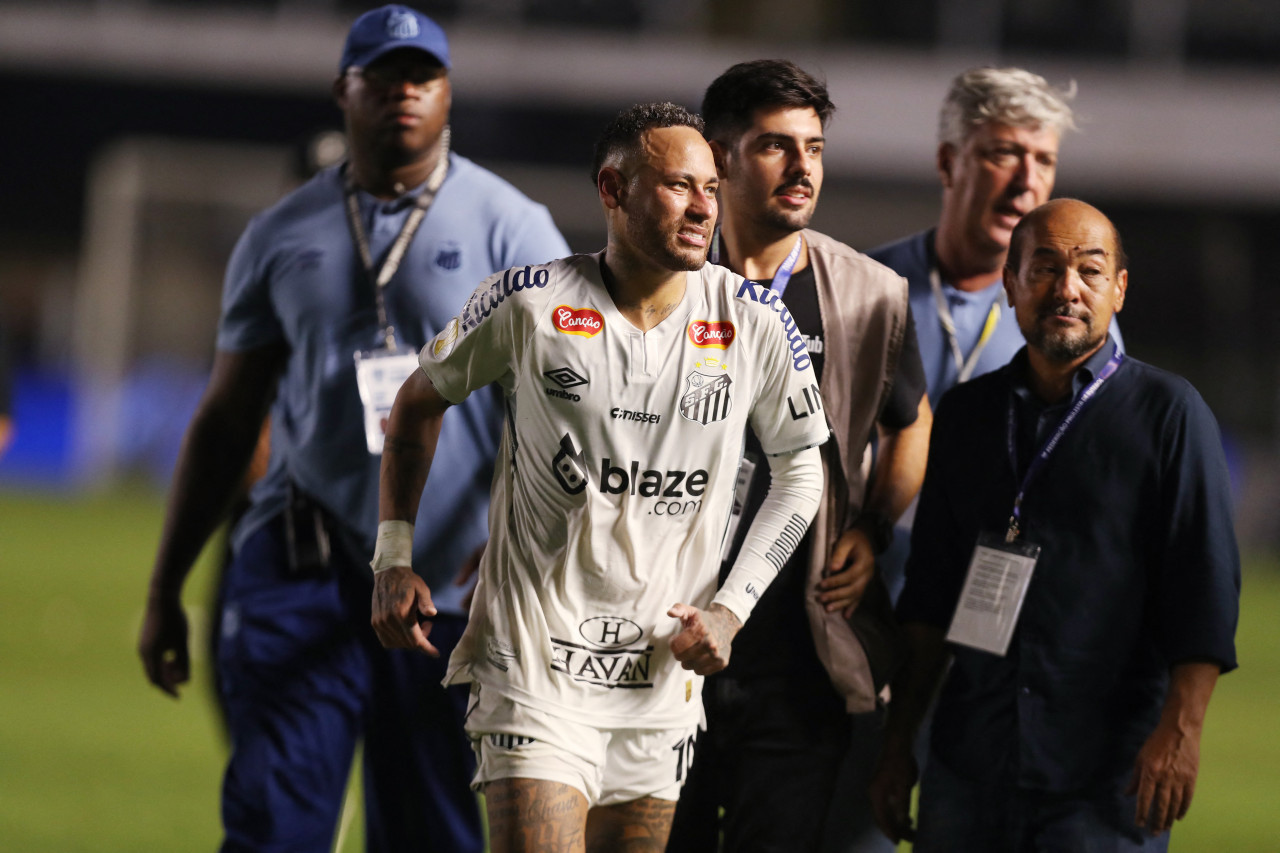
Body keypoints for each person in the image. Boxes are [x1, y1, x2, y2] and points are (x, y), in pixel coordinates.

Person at [137, 5, 570, 851]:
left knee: (432, 833)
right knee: (273, 827)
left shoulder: (511, 227)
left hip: (450, 580)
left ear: (448, 95)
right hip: (305, 564)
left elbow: (572, 405)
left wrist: (523, 540)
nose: (405, 92)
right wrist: (165, 589)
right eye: (384, 75)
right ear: (345, 89)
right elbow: (225, 419)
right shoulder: (279, 235)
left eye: (425, 77)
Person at [370, 102, 831, 852]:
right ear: (613, 190)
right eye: (679, 186)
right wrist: (393, 555)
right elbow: (418, 402)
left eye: (711, 188)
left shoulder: (754, 324)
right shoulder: (530, 301)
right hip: (532, 676)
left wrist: (730, 610)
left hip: (659, 685)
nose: (703, 207)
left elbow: (800, 471)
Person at [869, 198, 1240, 851]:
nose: (1066, 288)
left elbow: (1203, 585)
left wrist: (1180, 733)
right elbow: (929, 599)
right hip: (969, 769)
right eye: (1043, 268)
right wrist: (900, 746)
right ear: (1010, 285)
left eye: (1090, 271)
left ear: (1118, 289)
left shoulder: (1169, 415)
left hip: (1105, 780)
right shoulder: (966, 416)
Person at [664, 60, 930, 853]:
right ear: (718, 157)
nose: (803, 166)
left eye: (814, 146)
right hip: (661, 639)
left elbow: (910, 422)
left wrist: (875, 524)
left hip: (798, 652)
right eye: (777, 146)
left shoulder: (872, 293)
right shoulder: (652, 278)